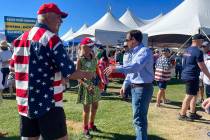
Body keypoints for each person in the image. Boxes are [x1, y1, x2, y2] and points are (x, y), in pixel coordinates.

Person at [10, 3, 95, 140]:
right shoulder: (51, 39)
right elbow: (69, 71)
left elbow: (13, 68)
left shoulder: (19, 40)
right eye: (59, 17)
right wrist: (89, 74)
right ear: (48, 16)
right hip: (49, 104)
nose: (61, 21)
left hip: (24, 103)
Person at [104, 30, 154, 140]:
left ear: (134, 40)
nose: (126, 42)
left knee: (139, 119)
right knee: (139, 118)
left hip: (142, 88)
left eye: (127, 39)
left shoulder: (144, 51)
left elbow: (135, 67)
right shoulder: (135, 52)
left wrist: (115, 68)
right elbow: (132, 71)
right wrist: (124, 85)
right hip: (138, 88)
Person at [179, 34, 210, 121]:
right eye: (202, 40)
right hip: (191, 76)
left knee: (195, 94)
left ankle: (192, 113)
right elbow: (202, 67)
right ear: (197, 40)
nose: (202, 42)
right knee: (189, 95)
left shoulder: (187, 50)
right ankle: (182, 114)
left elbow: (184, 63)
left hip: (188, 74)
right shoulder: (198, 51)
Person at [76, 37, 101, 139]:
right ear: (84, 46)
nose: (91, 48)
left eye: (92, 46)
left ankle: (91, 124)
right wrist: (86, 86)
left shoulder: (94, 58)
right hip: (85, 87)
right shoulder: (80, 60)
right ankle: (85, 129)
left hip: (95, 86)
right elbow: (77, 76)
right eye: (89, 46)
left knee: (95, 107)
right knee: (87, 109)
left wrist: (99, 81)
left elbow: (96, 71)